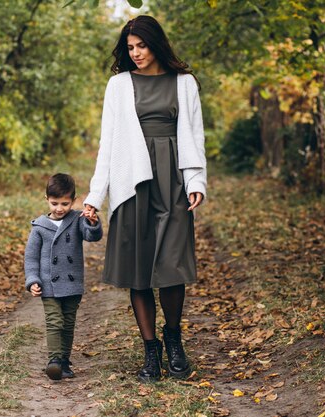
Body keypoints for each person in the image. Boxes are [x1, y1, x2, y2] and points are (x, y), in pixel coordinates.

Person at [82, 15, 207, 383]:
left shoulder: (184, 83)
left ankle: (174, 338)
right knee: (139, 268)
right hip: (133, 181)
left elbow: (195, 135)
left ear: (157, 44)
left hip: (172, 183)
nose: (136, 53)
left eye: (142, 46)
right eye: (130, 47)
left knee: (171, 266)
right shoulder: (118, 85)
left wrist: (196, 179)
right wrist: (95, 195)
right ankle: (150, 350)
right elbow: (108, 144)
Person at [24, 173, 103, 380]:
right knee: (54, 321)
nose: (59, 208)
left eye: (65, 203)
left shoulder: (77, 220)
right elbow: (31, 258)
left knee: (68, 323)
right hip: (49, 285)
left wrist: (93, 222)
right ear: (46, 199)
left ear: (74, 201)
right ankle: (54, 360)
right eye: (54, 203)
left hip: (72, 282)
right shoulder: (39, 227)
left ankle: (65, 362)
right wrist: (32, 280)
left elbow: (91, 236)